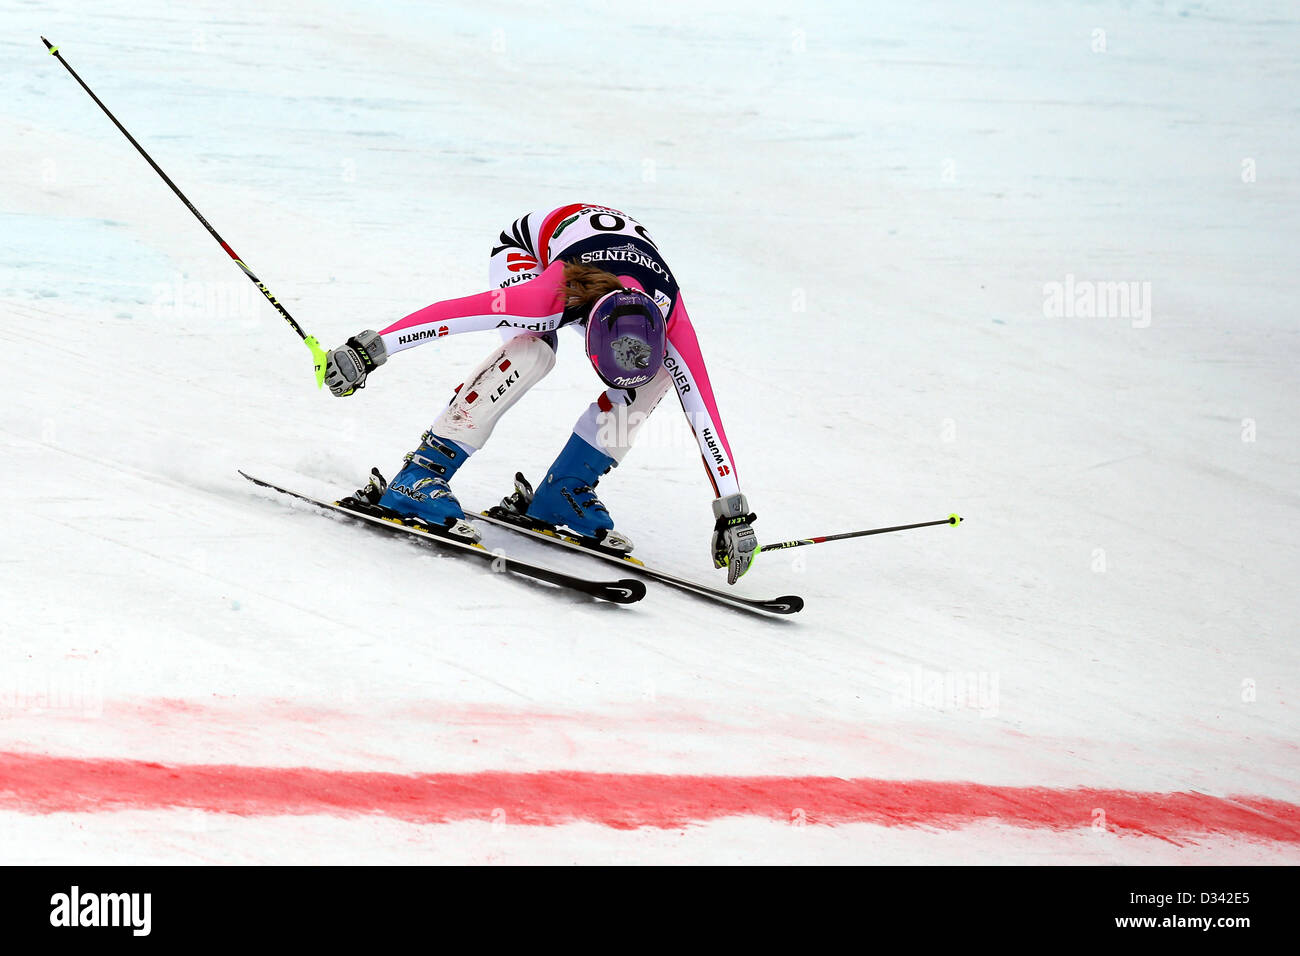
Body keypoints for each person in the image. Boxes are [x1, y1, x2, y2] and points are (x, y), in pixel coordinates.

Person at [323, 203, 758, 584]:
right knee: (534, 348)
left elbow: (704, 412)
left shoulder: (672, 321)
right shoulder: (546, 295)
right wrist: (369, 349)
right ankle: (421, 475)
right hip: (528, 250)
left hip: (612, 260)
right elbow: (455, 316)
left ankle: (564, 491)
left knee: (660, 375)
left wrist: (732, 510)